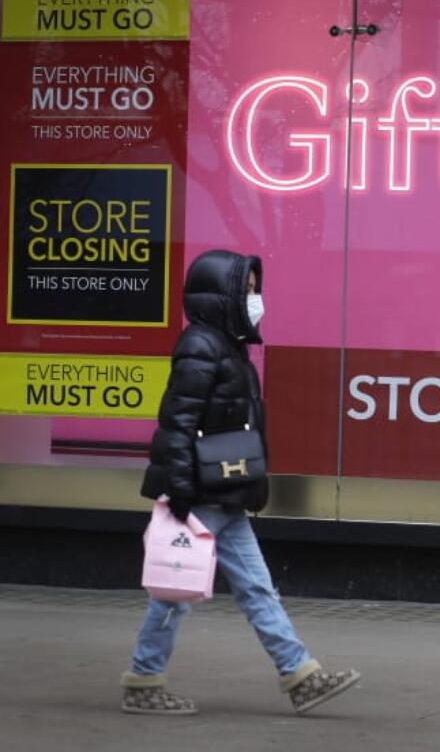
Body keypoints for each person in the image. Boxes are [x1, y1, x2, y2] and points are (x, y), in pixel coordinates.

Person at [121, 249, 360, 716]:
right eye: (247, 289)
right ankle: (144, 679)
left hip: (224, 493)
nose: (255, 299)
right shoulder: (201, 346)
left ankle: (300, 674)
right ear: (222, 294)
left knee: (255, 588)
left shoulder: (226, 345)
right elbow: (178, 421)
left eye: (255, 289)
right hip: (202, 495)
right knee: (176, 591)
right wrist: (183, 491)